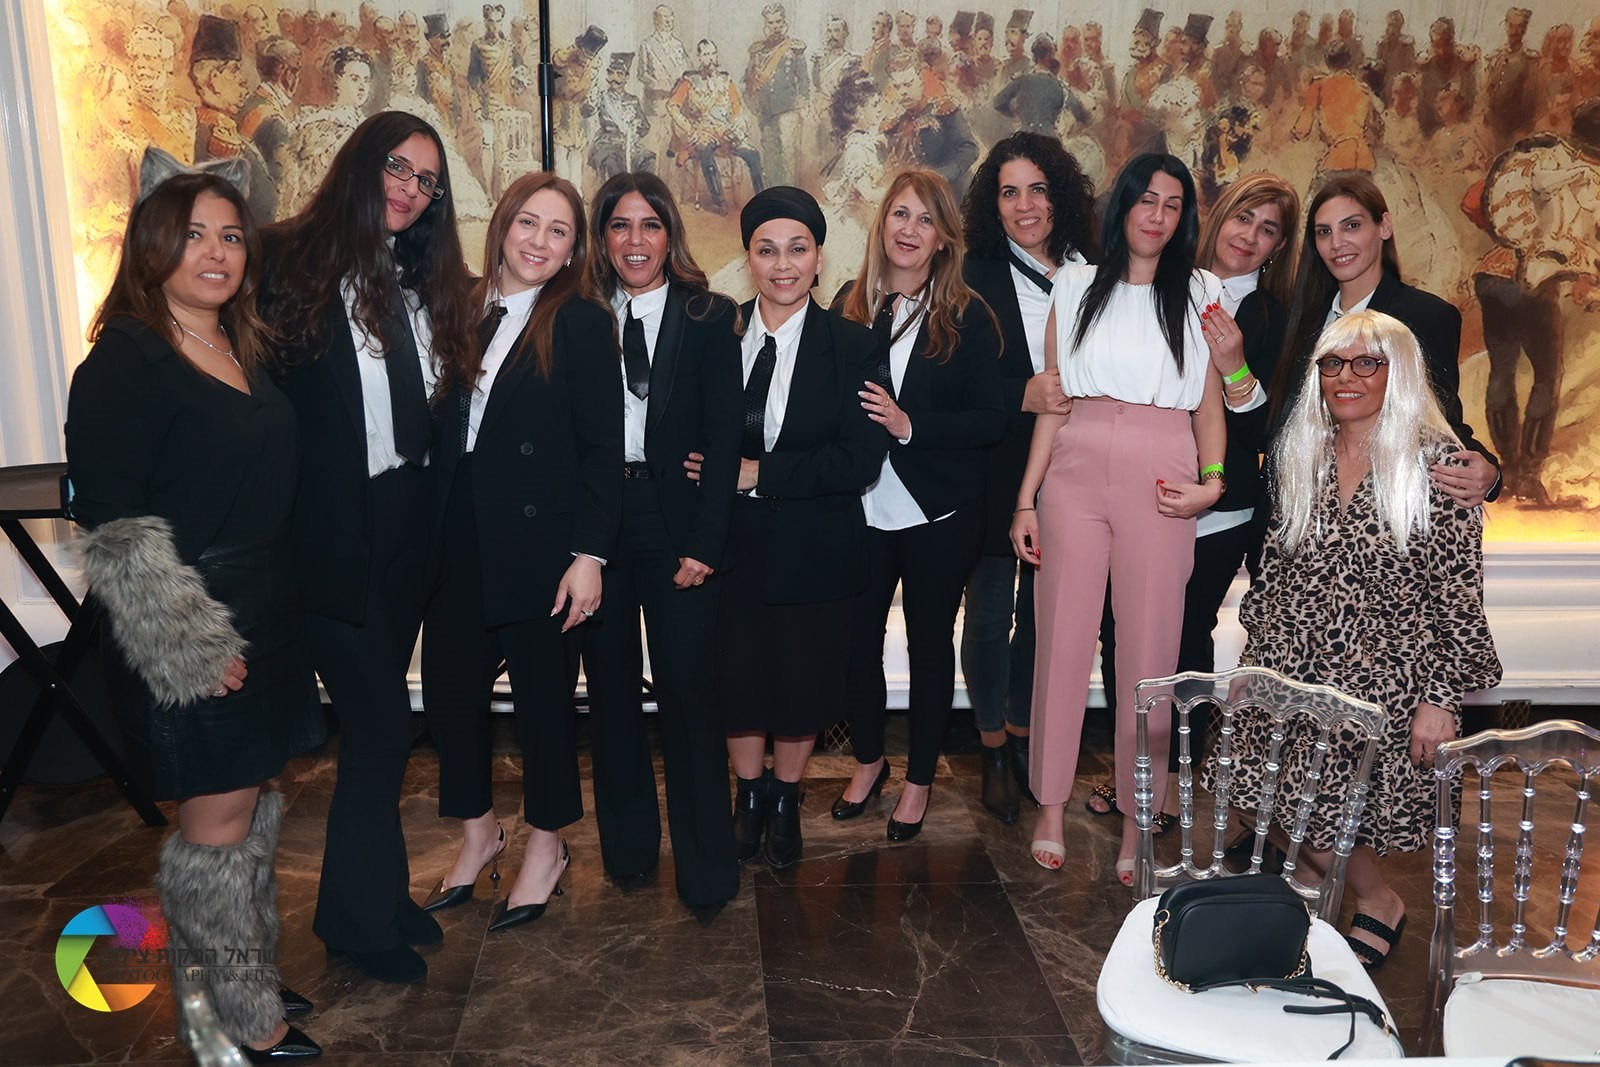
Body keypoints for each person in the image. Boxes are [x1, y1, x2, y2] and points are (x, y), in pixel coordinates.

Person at [66, 160, 324, 1061]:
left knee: (246, 810)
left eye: (231, 236)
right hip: (191, 617)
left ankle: (238, 971)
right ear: (151, 247)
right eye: (192, 236)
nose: (216, 252)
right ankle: (231, 1017)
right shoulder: (126, 358)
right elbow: (112, 527)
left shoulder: (238, 343)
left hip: (265, 608)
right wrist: (191, 645)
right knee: (215, 826)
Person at [262, 111, 475, 984]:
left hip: (408, 525)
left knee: (378, 730)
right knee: (384, 722)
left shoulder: (422, 279)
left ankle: (378, 895)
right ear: (360, 163)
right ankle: (354, 921)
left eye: (427, 181)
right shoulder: (284, 262)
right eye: (397, 166)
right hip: (331, 531)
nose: (409, 189)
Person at [1222, 309, 1501, 967]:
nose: (1346, 377)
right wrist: (1255, 657)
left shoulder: (1438, 466)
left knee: (1322, 809)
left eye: (1366, 363)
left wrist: (1440, 697)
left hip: (1382, 676)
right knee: (1261, 797)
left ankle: (1378, 900)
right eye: (1333, 363)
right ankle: (1313, 879)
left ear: (1396, 373)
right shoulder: (1304, 453)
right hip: (1291, 661)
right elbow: (1277, 566)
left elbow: (1457, 597)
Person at [1010, 153, 1226, 881]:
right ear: (1123, 206)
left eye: (1172, 204)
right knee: (1060, 642)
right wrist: (1026, 497)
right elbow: (1053, 403)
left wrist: (1212, 484)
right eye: (1146, 200)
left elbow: (1210, 404)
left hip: (1163, 472)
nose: (1157, 215)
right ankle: (1049, 804)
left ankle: (1140, 818)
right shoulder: (1073, 285)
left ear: (1183, 218)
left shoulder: (1201, 290)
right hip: (1073, 470)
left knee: (1150, 654)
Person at [418, 172, 623, 933]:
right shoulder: (460, 306)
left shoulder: (581, 322)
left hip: (543, 546)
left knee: (543, 705)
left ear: (574, 249)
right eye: (528, 223)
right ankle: (479, 834)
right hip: (456, 536)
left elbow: (603, 450)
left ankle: (547, 844)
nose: (539, 241)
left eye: (558, 230)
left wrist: (590, 554)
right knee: (450, 695)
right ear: (502, 224)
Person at [1090, 172, 1301, 826]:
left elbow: (1266, 431)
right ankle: (1130, 775)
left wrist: (1236, 365)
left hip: (1218, 506)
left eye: (1268, 229)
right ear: (1218, 219)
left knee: (1181, 641)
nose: (1250, 236)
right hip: (1133, 495)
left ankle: (1170, 785)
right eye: (1243, 218)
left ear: (1279, 247)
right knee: (1119, 633)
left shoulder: (1273, 316)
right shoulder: (1154, 282)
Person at [580, 171, 743, 924]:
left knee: (689, 691)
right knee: (610, 692)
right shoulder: (579, 315)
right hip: (599, 524)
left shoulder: (710, 316)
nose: (635, 240)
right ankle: (629, 853)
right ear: (603, 237)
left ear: (670, 233)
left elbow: (723, 436)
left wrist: (707, 540)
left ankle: (706, 868)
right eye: (620, 225)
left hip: (677, 522)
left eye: (650, 225)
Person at [706, 187, 885, 870]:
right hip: (730, 544)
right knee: (738, 680)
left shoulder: (853, 345)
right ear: (748, 257)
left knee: (801, 683)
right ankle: (747, 795)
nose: (783, 265)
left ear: (818, 258)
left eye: (797, 249)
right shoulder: (715, 337)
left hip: (816, 544)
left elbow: (860, 458)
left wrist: (760, 472)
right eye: (767, 250)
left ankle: (785, 797)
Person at [831, 169, 1005, 840]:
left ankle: (920, 779)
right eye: (900, 214)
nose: (909, 229)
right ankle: (869, 760)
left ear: (943, 239)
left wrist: (910, 426)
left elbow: (990, 419)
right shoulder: (851, 304)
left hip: (938, 510)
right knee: (856, 644)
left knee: (930, 646)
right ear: (882, 225)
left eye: (926, 219)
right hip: (861, 505)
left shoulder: (967, 313)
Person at [958, 132, 1097, 824]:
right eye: (1009, 192)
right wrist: (1022, 394)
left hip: (1076, 467)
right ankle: (990, 747)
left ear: (1060, 194)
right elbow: (949, 375)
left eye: (1037, 189)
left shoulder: (1095, 271)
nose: (1024, 205)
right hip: (991, 464)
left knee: (1046, 620)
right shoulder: (969, 273)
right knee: (989, 615)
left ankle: (1020, 732)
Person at [1273, 172, 1502, 510]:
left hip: (1380, 511)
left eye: (1351, 226)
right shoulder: (1297, 317)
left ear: (1384, 227)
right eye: (1324, 232)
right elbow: (1280, 423)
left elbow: (1439, 417)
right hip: (1296, 508)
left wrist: (1491, 474)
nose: (1336, 243)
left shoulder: (1426, 316)